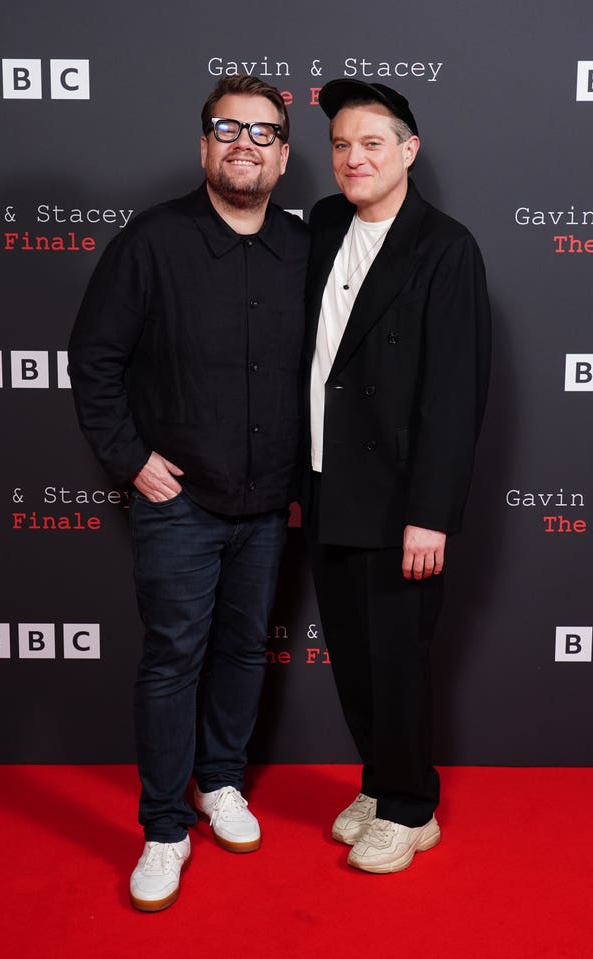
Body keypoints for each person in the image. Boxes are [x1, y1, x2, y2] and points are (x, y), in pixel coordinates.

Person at [68, 75, 308, 910]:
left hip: (268, 504)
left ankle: (220, 782)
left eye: (263, 133)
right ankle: (165, 826)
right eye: (227, 128)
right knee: (173, 659)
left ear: (283, 155)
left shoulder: (303, 247)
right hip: (179, 505)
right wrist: (133, 459)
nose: (245, 144)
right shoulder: (151, 241)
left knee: (244, 651)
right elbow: (94, 360)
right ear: (203, 144)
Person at [305, 78, 490, 874]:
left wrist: (432, 513)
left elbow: (455, 393)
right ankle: (380, 784)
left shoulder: (447, 248)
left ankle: (413, 809)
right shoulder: (320, 223)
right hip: (322, 484)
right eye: (341, 144)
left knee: (399, 658)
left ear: (408, 151)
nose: (353, 158)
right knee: (351, 655)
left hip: (399, 500)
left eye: (371, 143)